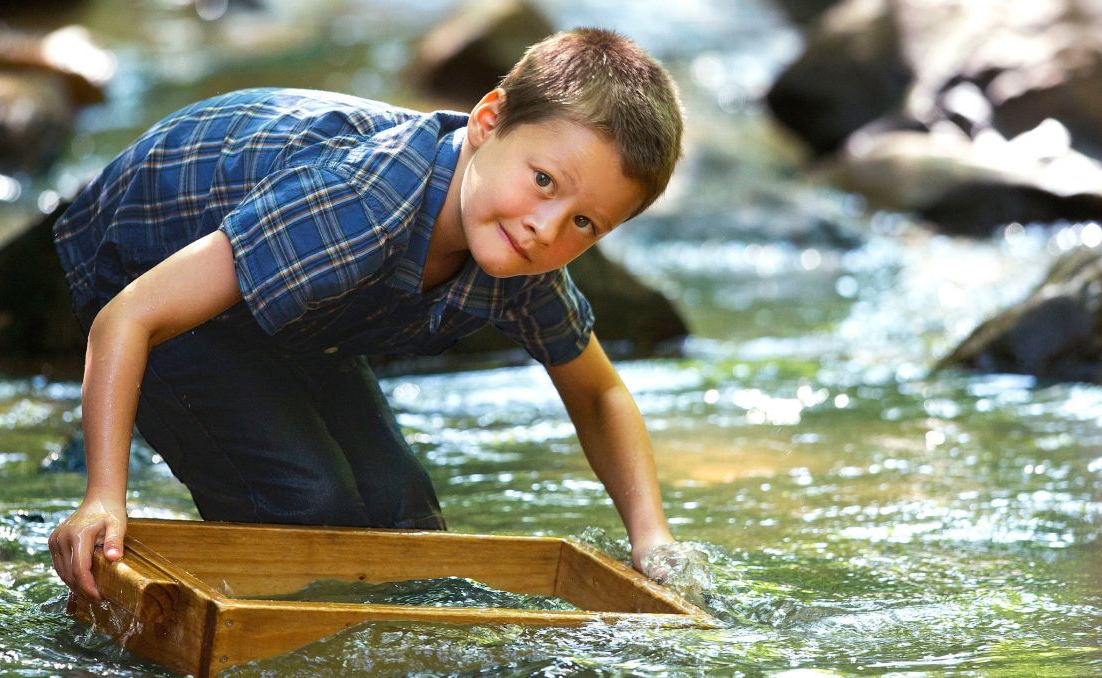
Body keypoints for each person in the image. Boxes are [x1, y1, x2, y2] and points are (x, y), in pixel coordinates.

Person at [48, 27, 686, 601]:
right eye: (544, 179)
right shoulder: (363, 203)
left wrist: (653, 540)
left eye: (584, 221)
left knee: (404, 516)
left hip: (298, 299)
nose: (547, 229)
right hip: (147, 257)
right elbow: (127, 316)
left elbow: (600, 393)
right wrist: (103, 496)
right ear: (488, 120)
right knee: (306, 501)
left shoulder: (523, 255)